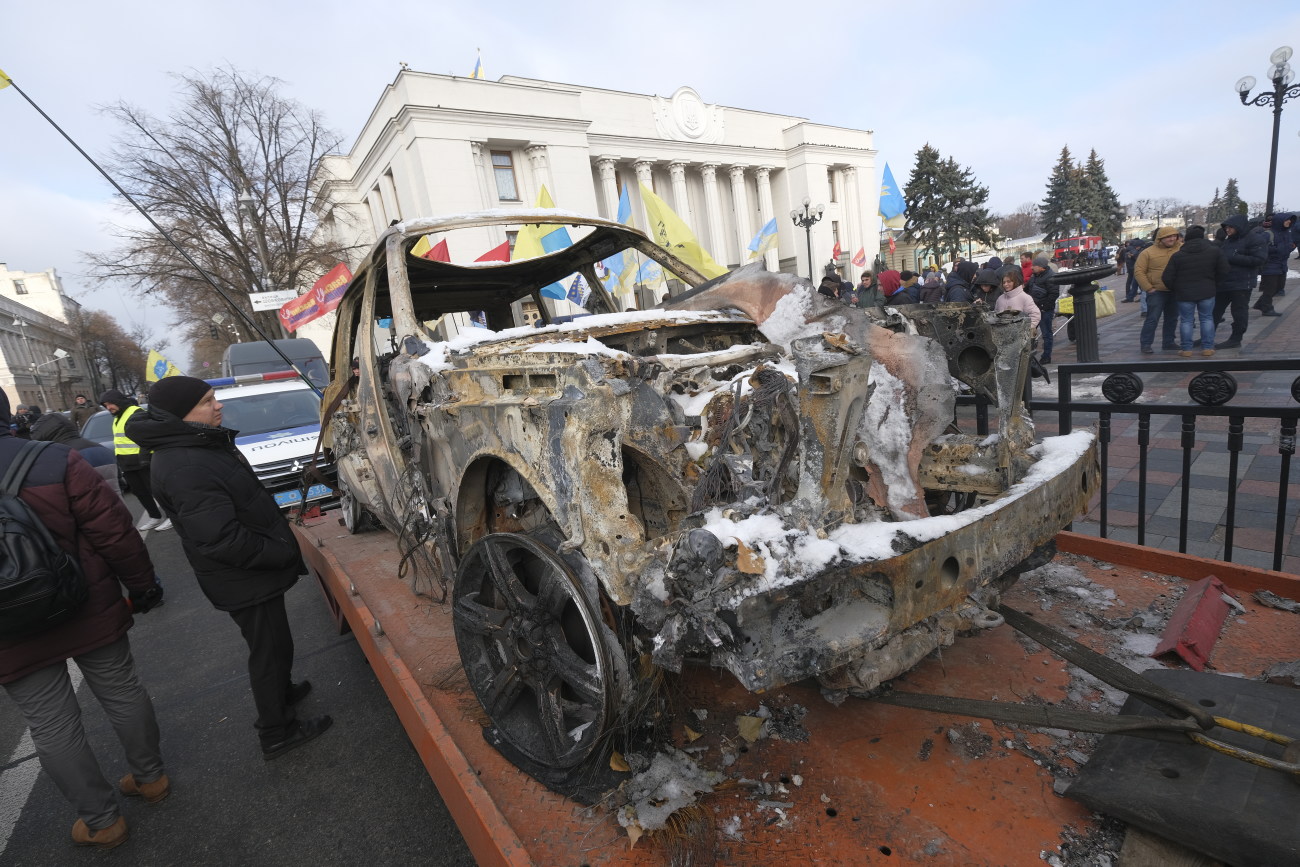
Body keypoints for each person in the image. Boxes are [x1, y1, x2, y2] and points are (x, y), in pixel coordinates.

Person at [126, 377, 331, 760]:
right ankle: (277, 731)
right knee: (267, 650)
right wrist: (278, 551)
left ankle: (282, 693)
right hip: (244, 576)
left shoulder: (193, 444)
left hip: (248, 574)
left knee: (275, 641)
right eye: (207, 401)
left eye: (214, 397)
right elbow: (220, 539)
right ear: (180, 416)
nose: (217, 406)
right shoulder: (184, 463)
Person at [0, 388, 166, 852]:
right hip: (85, 601)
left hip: (9, 629)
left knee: (50, 724)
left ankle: (102, 821)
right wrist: (143, 585)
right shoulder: (52, 459)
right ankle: (151, 778)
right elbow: (113, 531)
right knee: (121, 688)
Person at [99, 389, 170, 532]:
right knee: (140, 492)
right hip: (127, 463)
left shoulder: (136, 413)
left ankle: (171, 517)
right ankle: (155, 517)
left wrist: (145, 458)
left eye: (110, 404)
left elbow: (148, 436)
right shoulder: (118, 416)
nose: (108, 408)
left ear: (118, 401)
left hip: (143, 461)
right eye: (106, 405)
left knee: (157, 491)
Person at [1162, 225, 1227, 358]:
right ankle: (1208, 347)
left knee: (1186, 320)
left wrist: (1176, 288)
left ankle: (1186, 349)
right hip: (1207, 290)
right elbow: (1224, 270)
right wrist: (1214, 284)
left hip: (1184, 293)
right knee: (1207, 318)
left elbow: (1166, 277)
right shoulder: (1214, 252)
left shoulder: (1178, 255)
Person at [1213, 215, 1269, 349]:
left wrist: (1234, 258)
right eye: (1226, 227)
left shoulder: (1255, 240)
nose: (1227, 230)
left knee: (1239, 312)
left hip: (1242, 283)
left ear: (1238, 227)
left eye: (1230, 227)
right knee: (1214, 311)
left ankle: (1236, 338)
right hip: (1224, 282)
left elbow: (1259, 260)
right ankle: (1207, 336)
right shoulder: (1228, 241)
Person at [31, 412, 121, 494]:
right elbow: (120, 482)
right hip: (118, 507)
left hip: (88, 510)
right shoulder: (103, 449)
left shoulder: (60, 458)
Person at [1133, 227, 1182, 354]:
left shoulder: (1181, 249)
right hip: (1156, 291)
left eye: (1174, 236)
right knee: (1152, 318)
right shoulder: (1147, 252)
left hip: (1175, 290)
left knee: (1172, 318)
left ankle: (1169, 342)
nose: (1172, 239)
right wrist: (1148, 288)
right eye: (1168, 237)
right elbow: (1139, 271)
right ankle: (1146, 343)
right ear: (1160, 238)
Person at [1254, 213, 1294, 317]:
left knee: (1279, 288)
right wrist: (1275, 249)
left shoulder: (1287, 233)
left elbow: (1289, 246)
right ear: (1280, 221)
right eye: (1287, 220)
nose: (1289, 222)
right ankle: (1267, 309)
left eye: (1290, 220)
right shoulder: (1268, 234)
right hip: (1270, 266)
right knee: (1270, 288)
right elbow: (1258, 246)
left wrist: (1289, 248)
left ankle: (1260, 304)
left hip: (1282, 265)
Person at [1025, 256, 1058, 363]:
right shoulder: (1034, 276)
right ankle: (1028, 355)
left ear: (1041, 267)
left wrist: (1044, 307)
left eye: (1034, 266)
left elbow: (1054, 294)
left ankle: (1046, 356)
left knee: (1046, 333)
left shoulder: (1051, 276)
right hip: (1034, 309)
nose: (1032, 268)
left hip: (1045, 310)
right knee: (1030, 332)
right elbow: (1027, 288)